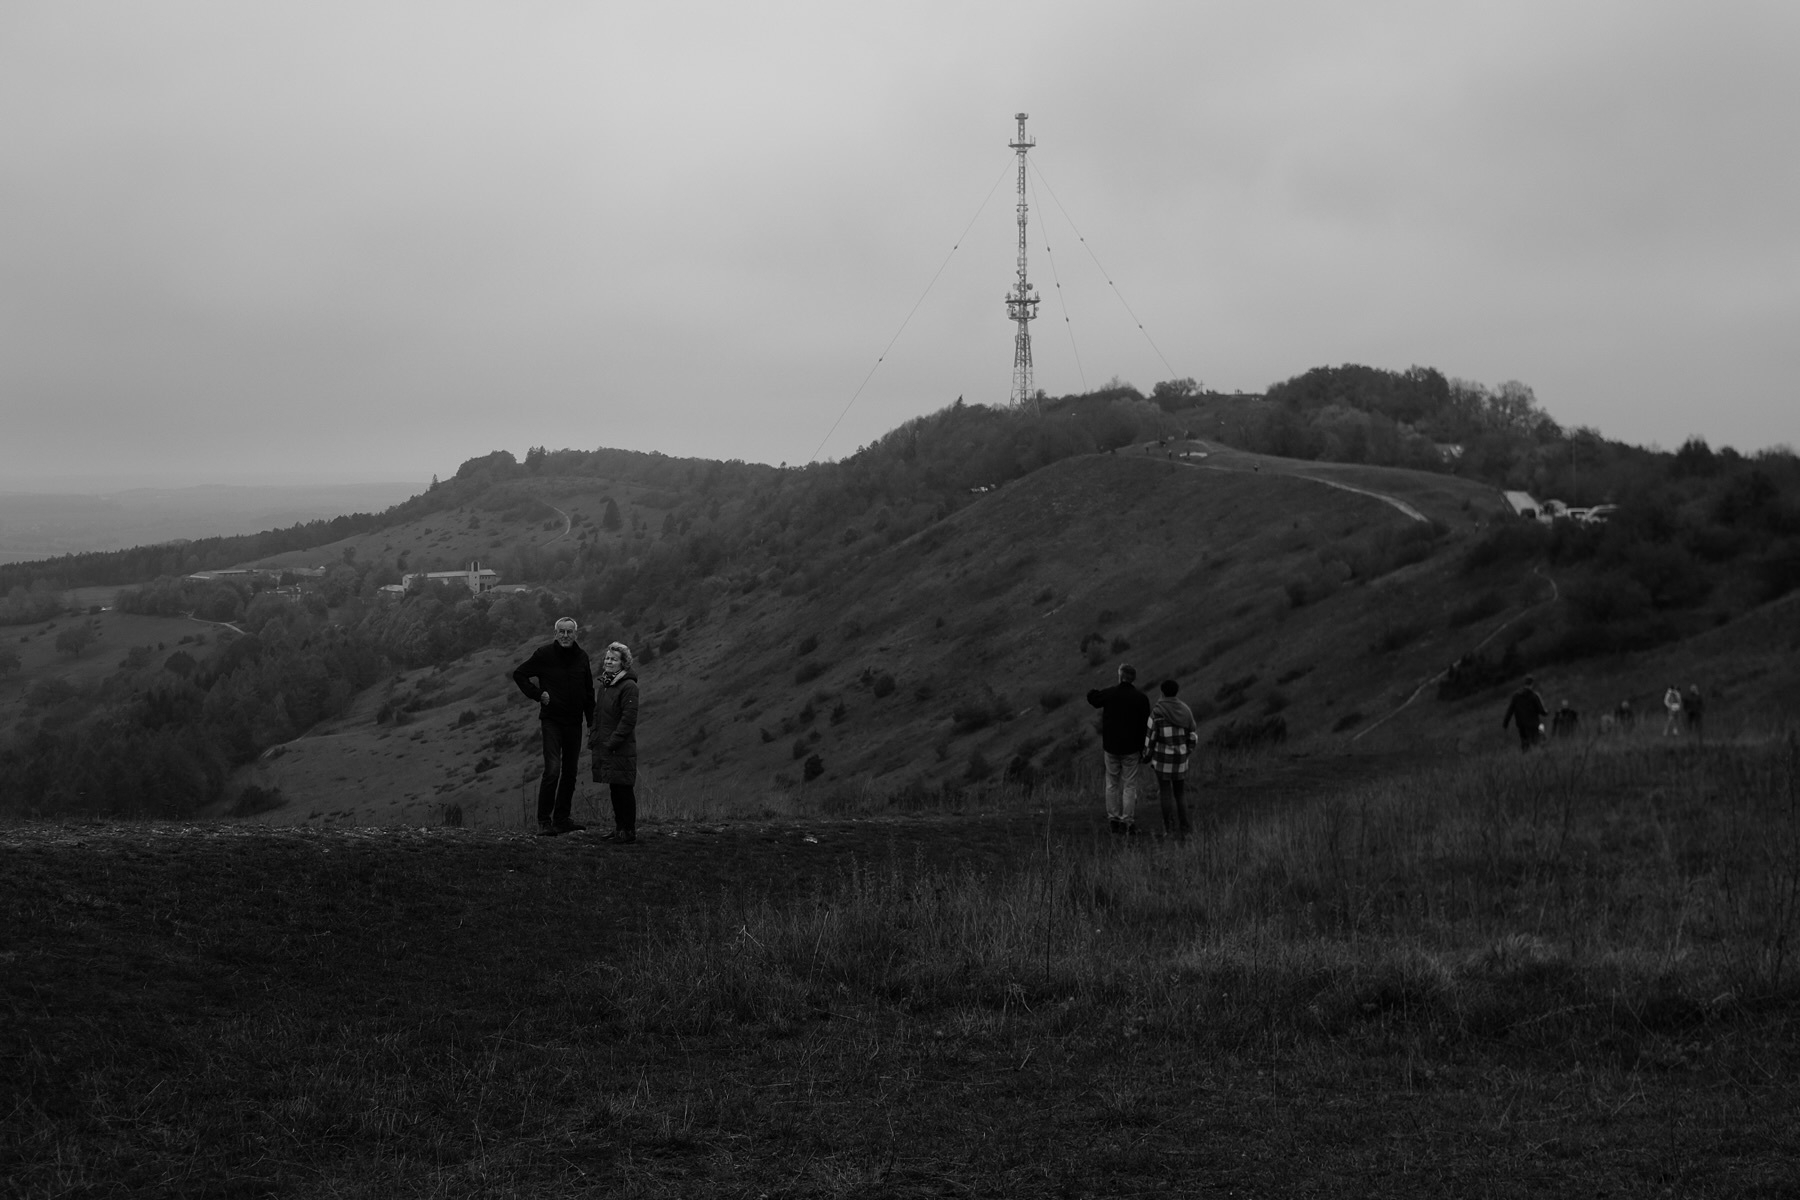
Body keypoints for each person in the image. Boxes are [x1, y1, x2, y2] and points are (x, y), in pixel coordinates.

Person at [511, 617, 595, 836]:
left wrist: (592, 723)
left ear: (576, 634)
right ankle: (544, 822)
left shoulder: (582, 658)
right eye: (561, 632)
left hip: (574, 722)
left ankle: (562, 819)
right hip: (552, 721)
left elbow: (588, 693)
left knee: (570, 772)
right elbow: (519, 674)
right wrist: (538, 694)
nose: (565, 636)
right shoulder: (544, 654)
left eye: (569, 632)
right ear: (555, 633)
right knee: (553, 770)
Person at [1087, 663, 1151, 834]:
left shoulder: (1111, 693)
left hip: (1112, 747)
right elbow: (1145, 725)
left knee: (1112, 784)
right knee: (1129, 785)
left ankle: (1113, 819)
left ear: (1120, 676)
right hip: (1131, 748)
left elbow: (1093, 698)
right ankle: (1127, 821)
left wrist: (1093, 690)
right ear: (1133, 679)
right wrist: (1144, 747)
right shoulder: (1141, 698)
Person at [591, 641, 640, 844]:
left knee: (624, 789)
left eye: (614, 659)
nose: (609, 661)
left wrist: (612, 742)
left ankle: (628, 831)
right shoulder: (605, 685)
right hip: (607, 746)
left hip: (619, 747)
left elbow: (628, 719)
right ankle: (619, 828)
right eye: (607, 658)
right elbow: (599, 715)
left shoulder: (629, 686)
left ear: (624, 663)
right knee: (615, 788)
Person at [1144, 679, 1199, 840]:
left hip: (1162, 761)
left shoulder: (1157, 712)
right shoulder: (1185, 710)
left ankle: (1169, 829)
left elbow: (1150, 737)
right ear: (1176, 692)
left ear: (1162, 692)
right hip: (1180, 760)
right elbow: (1193, 736)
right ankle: (1186, 829)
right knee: (1180, 793)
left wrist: (1147, 756)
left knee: (1166, 793)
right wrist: (1186, 751)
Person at [1502, 676, 1548, 751]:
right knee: (1539, 742)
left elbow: (1509, 711)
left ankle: (1526, 759)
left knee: (1525, 745)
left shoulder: (1516, 696)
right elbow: (1541, 710)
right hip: (1534, 725)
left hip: (1521, 726)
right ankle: (1539, 757)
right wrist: (1547, 712)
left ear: (1524, 684)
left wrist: (1505, 724)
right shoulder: (1534, 696)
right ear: (1532, 684)